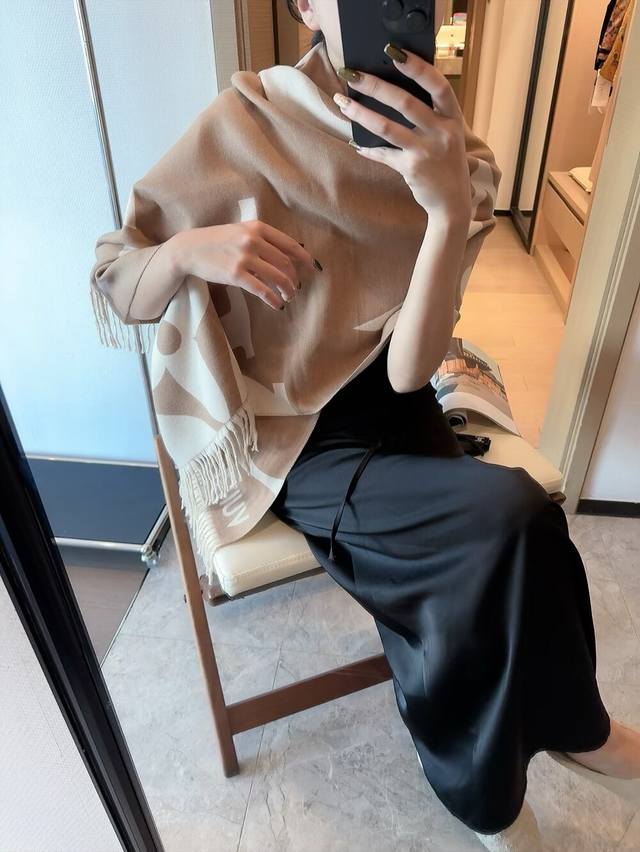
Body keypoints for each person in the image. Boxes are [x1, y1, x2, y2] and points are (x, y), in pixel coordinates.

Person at [90, 1, 640, 848]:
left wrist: (446, 212)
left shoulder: (456, 153)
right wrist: (189, 252)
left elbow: (409, 373)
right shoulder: (243, 123)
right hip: (299, 439)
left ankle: (565, 731)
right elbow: (113, 275)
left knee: (500, 551)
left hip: (401, 403)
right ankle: (507, 782)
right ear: (306, 6)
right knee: (510, 521)